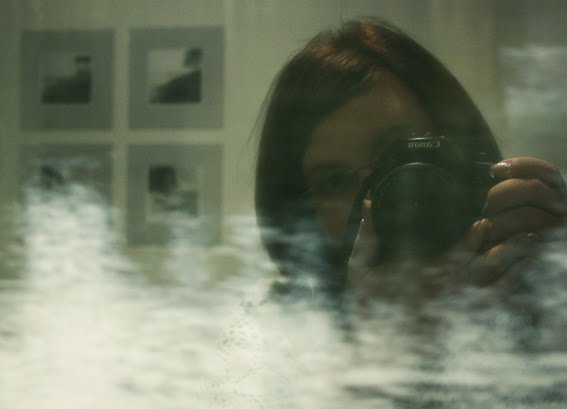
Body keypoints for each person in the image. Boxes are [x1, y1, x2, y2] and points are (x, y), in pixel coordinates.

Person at [254, 19, 567, 301]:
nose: (372, 198)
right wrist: (391, 336)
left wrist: (554, 275)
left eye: (397, 156)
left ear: (468, 159)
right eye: (335, 181)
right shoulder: (268, 332)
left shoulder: (528, 275)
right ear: (298, 215)